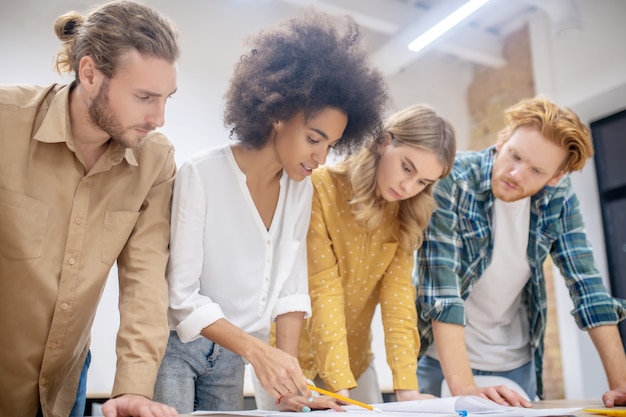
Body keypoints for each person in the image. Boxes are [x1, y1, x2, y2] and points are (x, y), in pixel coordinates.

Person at [153, 9, 388, 414]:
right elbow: (182, 297)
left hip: (232, 359)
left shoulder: (300, 190)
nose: (322, 157)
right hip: (177, 351)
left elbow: (291, 290)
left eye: (331, 145)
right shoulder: (201, 175)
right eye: (314, 138)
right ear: (278, 114)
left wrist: (289, 381)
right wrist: (260, 353)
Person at [0, 1, 181, 416]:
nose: (159, 117)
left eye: (167, 98)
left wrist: (133, 388)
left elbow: (146, 279)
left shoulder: (155, 160)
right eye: (144, 97)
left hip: (65, 381)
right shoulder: (6, 121)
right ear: (89, 73)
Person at [414, 97, 626, 408]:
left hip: (516, 363)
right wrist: (465, 387)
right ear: (502, 139)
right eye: (514, 156)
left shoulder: (558, 199)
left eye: (536, 170)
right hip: (439, 359)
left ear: (554, 178)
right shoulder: (453, 179)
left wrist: (621, 385)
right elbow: (441, 289)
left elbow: (588, 289)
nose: (516, 174)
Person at [255, 104, 457, 412]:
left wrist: (407, 389)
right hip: (289, 361)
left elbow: (399, 305)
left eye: (423, 182)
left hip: (356, 360)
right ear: (384, 142)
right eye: (407, 168)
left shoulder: (406, 213)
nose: (409, 187)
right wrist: (342, 391)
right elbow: (324, 291)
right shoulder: (320, 188)